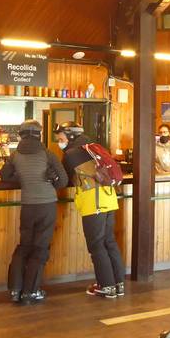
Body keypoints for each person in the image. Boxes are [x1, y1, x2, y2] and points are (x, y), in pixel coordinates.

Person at [55, 121, 125, 299]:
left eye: (61, 139)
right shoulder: (93, 147)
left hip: (93, 202)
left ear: (70, 136)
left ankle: (106, 287)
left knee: (96, 245)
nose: (59, 142)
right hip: (109, 198)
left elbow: (63, 179)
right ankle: (118, 284)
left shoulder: (71, 154)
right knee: (109, 242)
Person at [1, 120, 67, 305]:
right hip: (47, 205)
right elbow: (63, 180)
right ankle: (31, 292)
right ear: (39, 135)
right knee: (40, 248)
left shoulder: (15, 155)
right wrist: (50, 181)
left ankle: (15, 290)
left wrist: (23, 178)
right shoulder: (47, 154)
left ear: (21, 135)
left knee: (24, 246)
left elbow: (5, 176)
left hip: (28, 206)